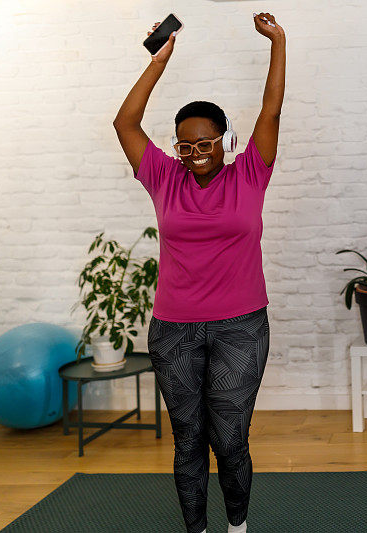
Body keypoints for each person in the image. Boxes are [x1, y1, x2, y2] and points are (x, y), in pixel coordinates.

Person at [112, 12, 285, 533]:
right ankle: (197, 530)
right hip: (174, 330)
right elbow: (125, 123)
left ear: (225, 141)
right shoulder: (164, 176)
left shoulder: (251, 172)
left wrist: (278, 42)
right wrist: (159, 60)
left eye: (205, 144)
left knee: (229, 437)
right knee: (188, 436)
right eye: (184, 146)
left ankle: (237, 527)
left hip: (241, 327)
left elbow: (271, 109)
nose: (194, 155)